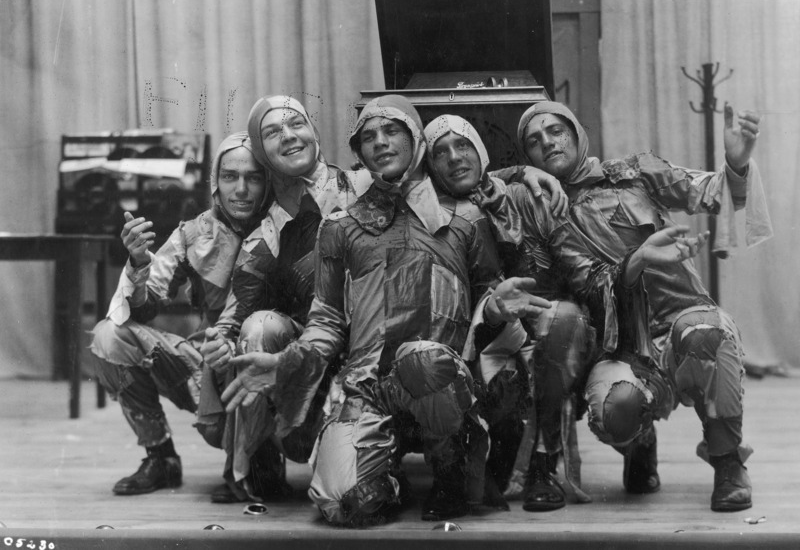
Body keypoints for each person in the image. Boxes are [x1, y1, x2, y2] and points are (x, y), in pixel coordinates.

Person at [221, 94, 553, 526]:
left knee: (424, 359)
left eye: (392, 130)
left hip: (439, 378)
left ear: (416, 138)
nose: (381, 142)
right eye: (369, 137)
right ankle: (386, 478)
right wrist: (285, 363)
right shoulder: (340, 226)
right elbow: (325, 323)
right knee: (342, 502)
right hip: (367, 386)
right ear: (358, 154)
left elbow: (486, 294)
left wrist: (493, 307)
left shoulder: (466, 217)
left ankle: (450, 464)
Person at [423, 114, 710, 513]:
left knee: (565, 318)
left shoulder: (530, 198)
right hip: (476, 329)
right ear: (429, 164)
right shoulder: (428, 211)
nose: (455, 158)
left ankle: (545, 463)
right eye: (442, 152)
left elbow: (586, 275)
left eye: (464, 146)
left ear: (481, 152)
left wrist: (635, 261)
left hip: (554, 330)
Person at [516, 100, 769, 512]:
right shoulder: (546, 213)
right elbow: (591, 284)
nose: (547, 143)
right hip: (620, 342)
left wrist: (736, 164)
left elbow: (711, 192)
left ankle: (727, 462)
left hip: (681, 317)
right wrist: (639, 259)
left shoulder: (634, 173)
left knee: (709, 332)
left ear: (577, 132)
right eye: (533, 142)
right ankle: (638, 443)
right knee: (616, 408)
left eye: (555, 131)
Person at [197, 95, 372, 503]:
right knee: (258, 327)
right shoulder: (266, 234)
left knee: (347, 495)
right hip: (307, 360)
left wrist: (520, 173)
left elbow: (436, 175)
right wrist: (221, 338)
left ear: (313, 129)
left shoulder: (365, 186)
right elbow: (238, 306)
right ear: (262, 151)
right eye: (273, 132)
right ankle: (259, 464)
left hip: (372, 348)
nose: (289, 136)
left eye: (296, 123)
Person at [88, 132, 268, 495]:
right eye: (230, 177)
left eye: (254, 177)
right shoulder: (193, 234)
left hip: (272, 369)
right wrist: (139, 262)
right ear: (215, 181)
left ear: (269, 180)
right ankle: (161, 457)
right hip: (209, 370)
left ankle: (263, 458)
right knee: (110, 336)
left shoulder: (290, 225)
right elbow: (146, 305)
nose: (242, 189)